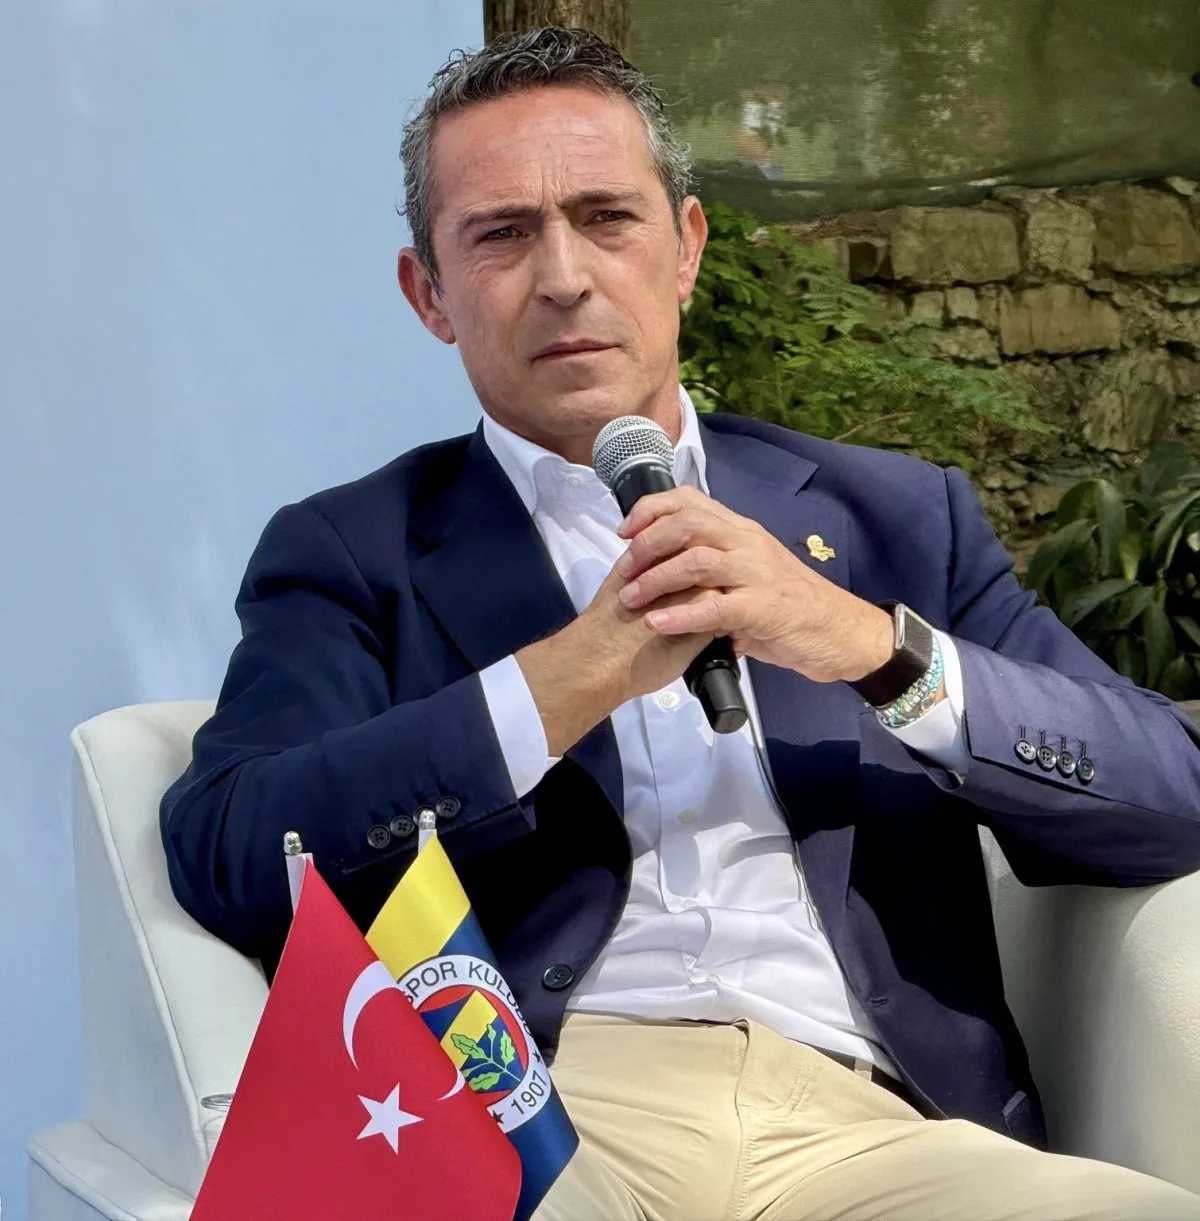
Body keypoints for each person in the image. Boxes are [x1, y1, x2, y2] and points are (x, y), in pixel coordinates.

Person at [161, 26, 1200, 1221]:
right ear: (429, 295)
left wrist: (872, 649)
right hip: (541, 1116)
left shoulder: (890, 517)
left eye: (607, 218)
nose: (564, 276)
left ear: (688, 248)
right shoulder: (358, 550)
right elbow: (235, 852)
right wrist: (563, 680)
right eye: (502, 234)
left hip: (874, 1124)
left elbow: (1172, 794)